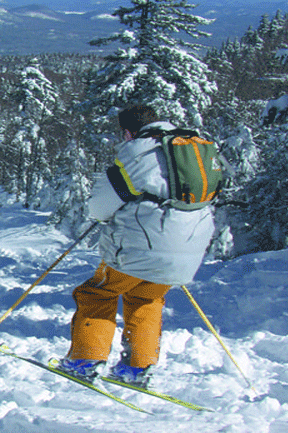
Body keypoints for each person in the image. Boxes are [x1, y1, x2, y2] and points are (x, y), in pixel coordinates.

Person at [57, 105, 216, 387]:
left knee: (98, 293)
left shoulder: (137, 154)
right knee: (147, 297)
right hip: (191, 244)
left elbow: (100, 206)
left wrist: (110, 214)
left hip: (141, 245)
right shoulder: (191, 148)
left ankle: (86, 359)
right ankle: (137, 367)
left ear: (129, 132)